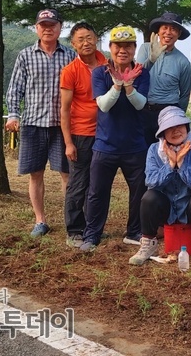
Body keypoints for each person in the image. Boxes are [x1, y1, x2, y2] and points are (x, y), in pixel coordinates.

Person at [5, 8, 76, 237]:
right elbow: (15, 88)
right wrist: (13, 114)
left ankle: (72, 221)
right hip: (33, 123)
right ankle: (40, 220)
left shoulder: (70, 55)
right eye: (43, 25)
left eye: (52, 25)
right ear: (37, 28)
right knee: (35, 174)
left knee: (67, 174)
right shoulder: (25, 55)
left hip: (61, 125)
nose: (48, 28)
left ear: (59, 27)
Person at [79, 25, 150, 251]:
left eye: (128, 45)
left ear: (134, 48)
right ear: (110, 48)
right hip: (105, 145)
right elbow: (103, 105)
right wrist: (117, 84)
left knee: (139, 192)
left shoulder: (141, 72)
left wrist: (128, 84)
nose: (123, 50)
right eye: (118, 46)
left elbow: (141, 104)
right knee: (97, 192)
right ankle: (92, 235)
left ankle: (135, 231)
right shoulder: (100, 73)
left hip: (135, 145)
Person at [128, 106, 191, 277]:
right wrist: (171, 165)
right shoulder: (153, 151)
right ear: (162, 134)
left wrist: (182, 164)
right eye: (169, 128)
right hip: (168, 207)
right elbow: (151, 181)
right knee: (149, 197)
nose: (175, 131)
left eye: (179, 125)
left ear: (187, 127)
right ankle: (148, 243)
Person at [60, 22, 108, 248]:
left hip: (106, 133)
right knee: (78, 184)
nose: (86, 43)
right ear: (73, 44)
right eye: (80, 39)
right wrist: (68, 142)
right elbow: (65, 109)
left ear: (96, 38)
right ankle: (74, 229)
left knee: (98, 184)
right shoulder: (70, 71)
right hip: (81, 134)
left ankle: (93, 227)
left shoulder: (108, 64)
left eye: (89, 37)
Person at [136, 12, 191, 146]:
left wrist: (176, 117)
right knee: (142, 152)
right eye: (165, 28)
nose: (168, 32)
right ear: (158, 31)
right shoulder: (145, 49)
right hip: (143, 110)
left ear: (178, 34)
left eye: (173, 29)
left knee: (167, 152)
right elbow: (136, 75)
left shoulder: (183, 61)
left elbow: (184, 94)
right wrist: (151, 60)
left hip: (168, 111)